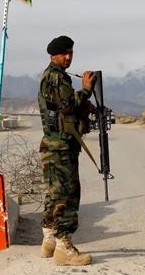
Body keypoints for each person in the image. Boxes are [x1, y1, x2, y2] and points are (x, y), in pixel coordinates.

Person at [38, 35, 95, 266]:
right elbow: (68, 105)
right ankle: (64, 248)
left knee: (54, 195)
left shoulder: (53, 76)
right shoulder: (56, 78)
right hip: (60, 147)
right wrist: (86, 91)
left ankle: (49, 240)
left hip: (56, 145)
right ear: (54, 55)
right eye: (64, 53)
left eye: (71, 53)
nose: (69, 57)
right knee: (67, 197)